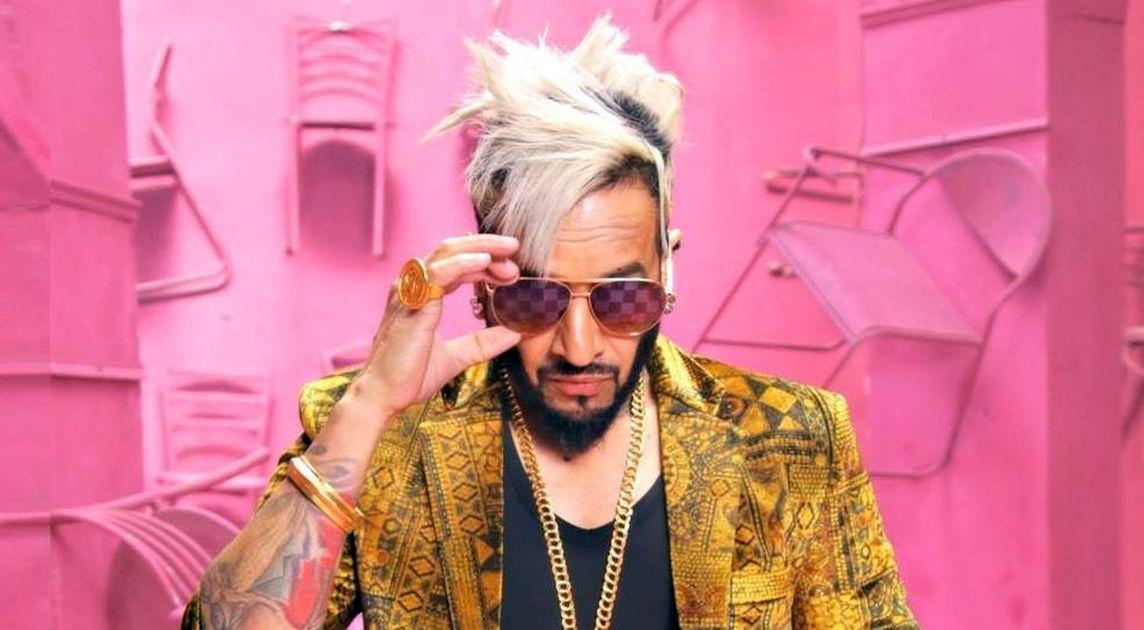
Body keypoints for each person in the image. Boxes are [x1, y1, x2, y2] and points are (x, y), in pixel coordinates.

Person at [182, 12, 917, 630]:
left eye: (621, 297)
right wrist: (371, 402)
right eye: (536, 298)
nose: (579, 345)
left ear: (667, 271)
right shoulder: (385, 440)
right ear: (483, 288)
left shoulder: (789, 439)